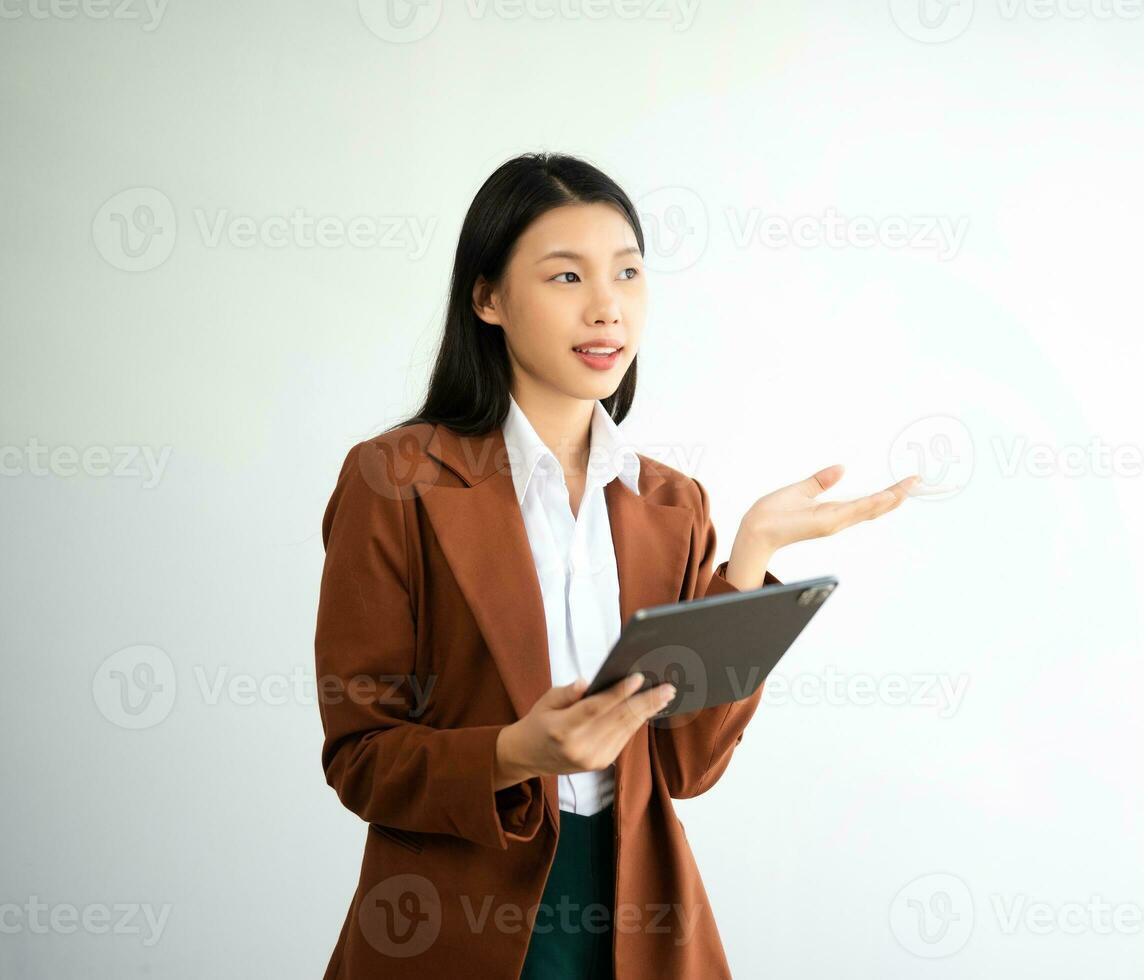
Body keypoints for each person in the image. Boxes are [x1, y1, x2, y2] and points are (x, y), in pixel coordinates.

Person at [313, 152, 918, 979]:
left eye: (628, 273)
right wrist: (515, 753)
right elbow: (360, 756)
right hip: (452, 921)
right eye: (566, 277)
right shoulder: (396, 481)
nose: (607, 308)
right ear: (487, 298)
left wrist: (750, 560)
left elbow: (686, 767)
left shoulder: (673, 503)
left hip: (641, 914)